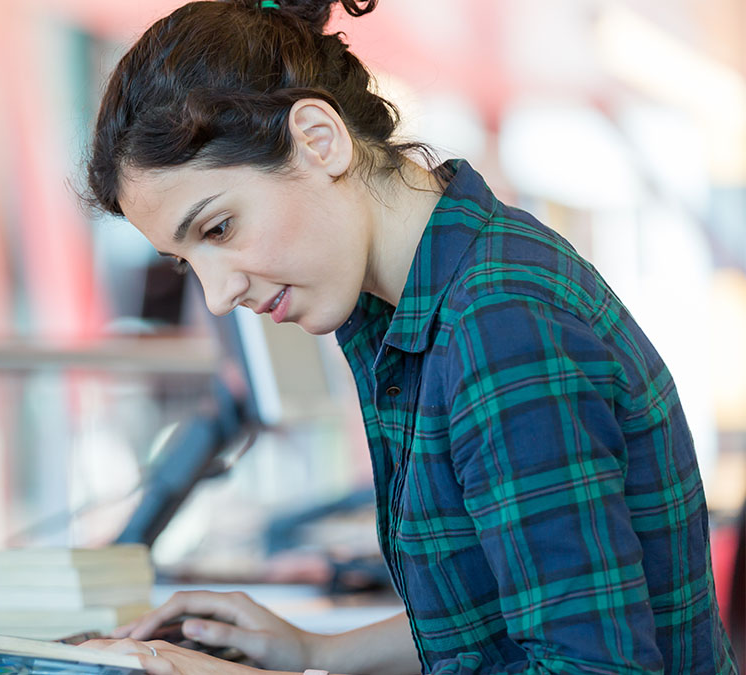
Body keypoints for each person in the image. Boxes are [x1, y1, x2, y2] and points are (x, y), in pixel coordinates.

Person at [78, 1, 739, 674]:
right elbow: (507, 618)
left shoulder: (501, 324)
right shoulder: (421, 306)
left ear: (318, 139)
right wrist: (315, 652)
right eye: (190, 262)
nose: (219, 295)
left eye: (218, 228)